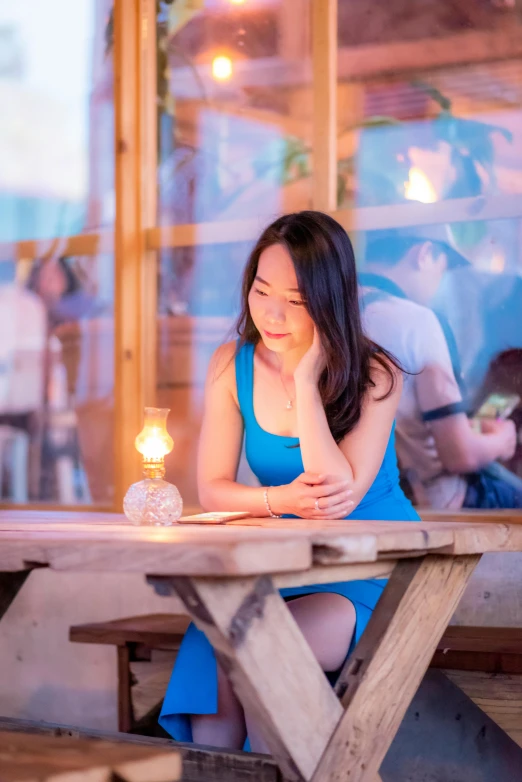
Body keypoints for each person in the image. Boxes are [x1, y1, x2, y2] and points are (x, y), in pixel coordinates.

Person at [159, 211, 419, 751]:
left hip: (371, 573)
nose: (272, 313)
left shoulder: (376, 374)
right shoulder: (232, 364)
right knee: (212, 648)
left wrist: (304, 378)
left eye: (297, 301)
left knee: (260, 649)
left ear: (328, 301)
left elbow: (334, 496)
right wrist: (280, 500)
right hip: (284, 566)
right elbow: (212, 488)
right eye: (261, 290)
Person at [359, 225, 520, 510]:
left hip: (359, 495)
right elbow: (458, 456)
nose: (439, 284)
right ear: (424, 254)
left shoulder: (332, 310)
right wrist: (503, 441)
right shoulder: (416, 320)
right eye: (442, 270)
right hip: (429, 500)